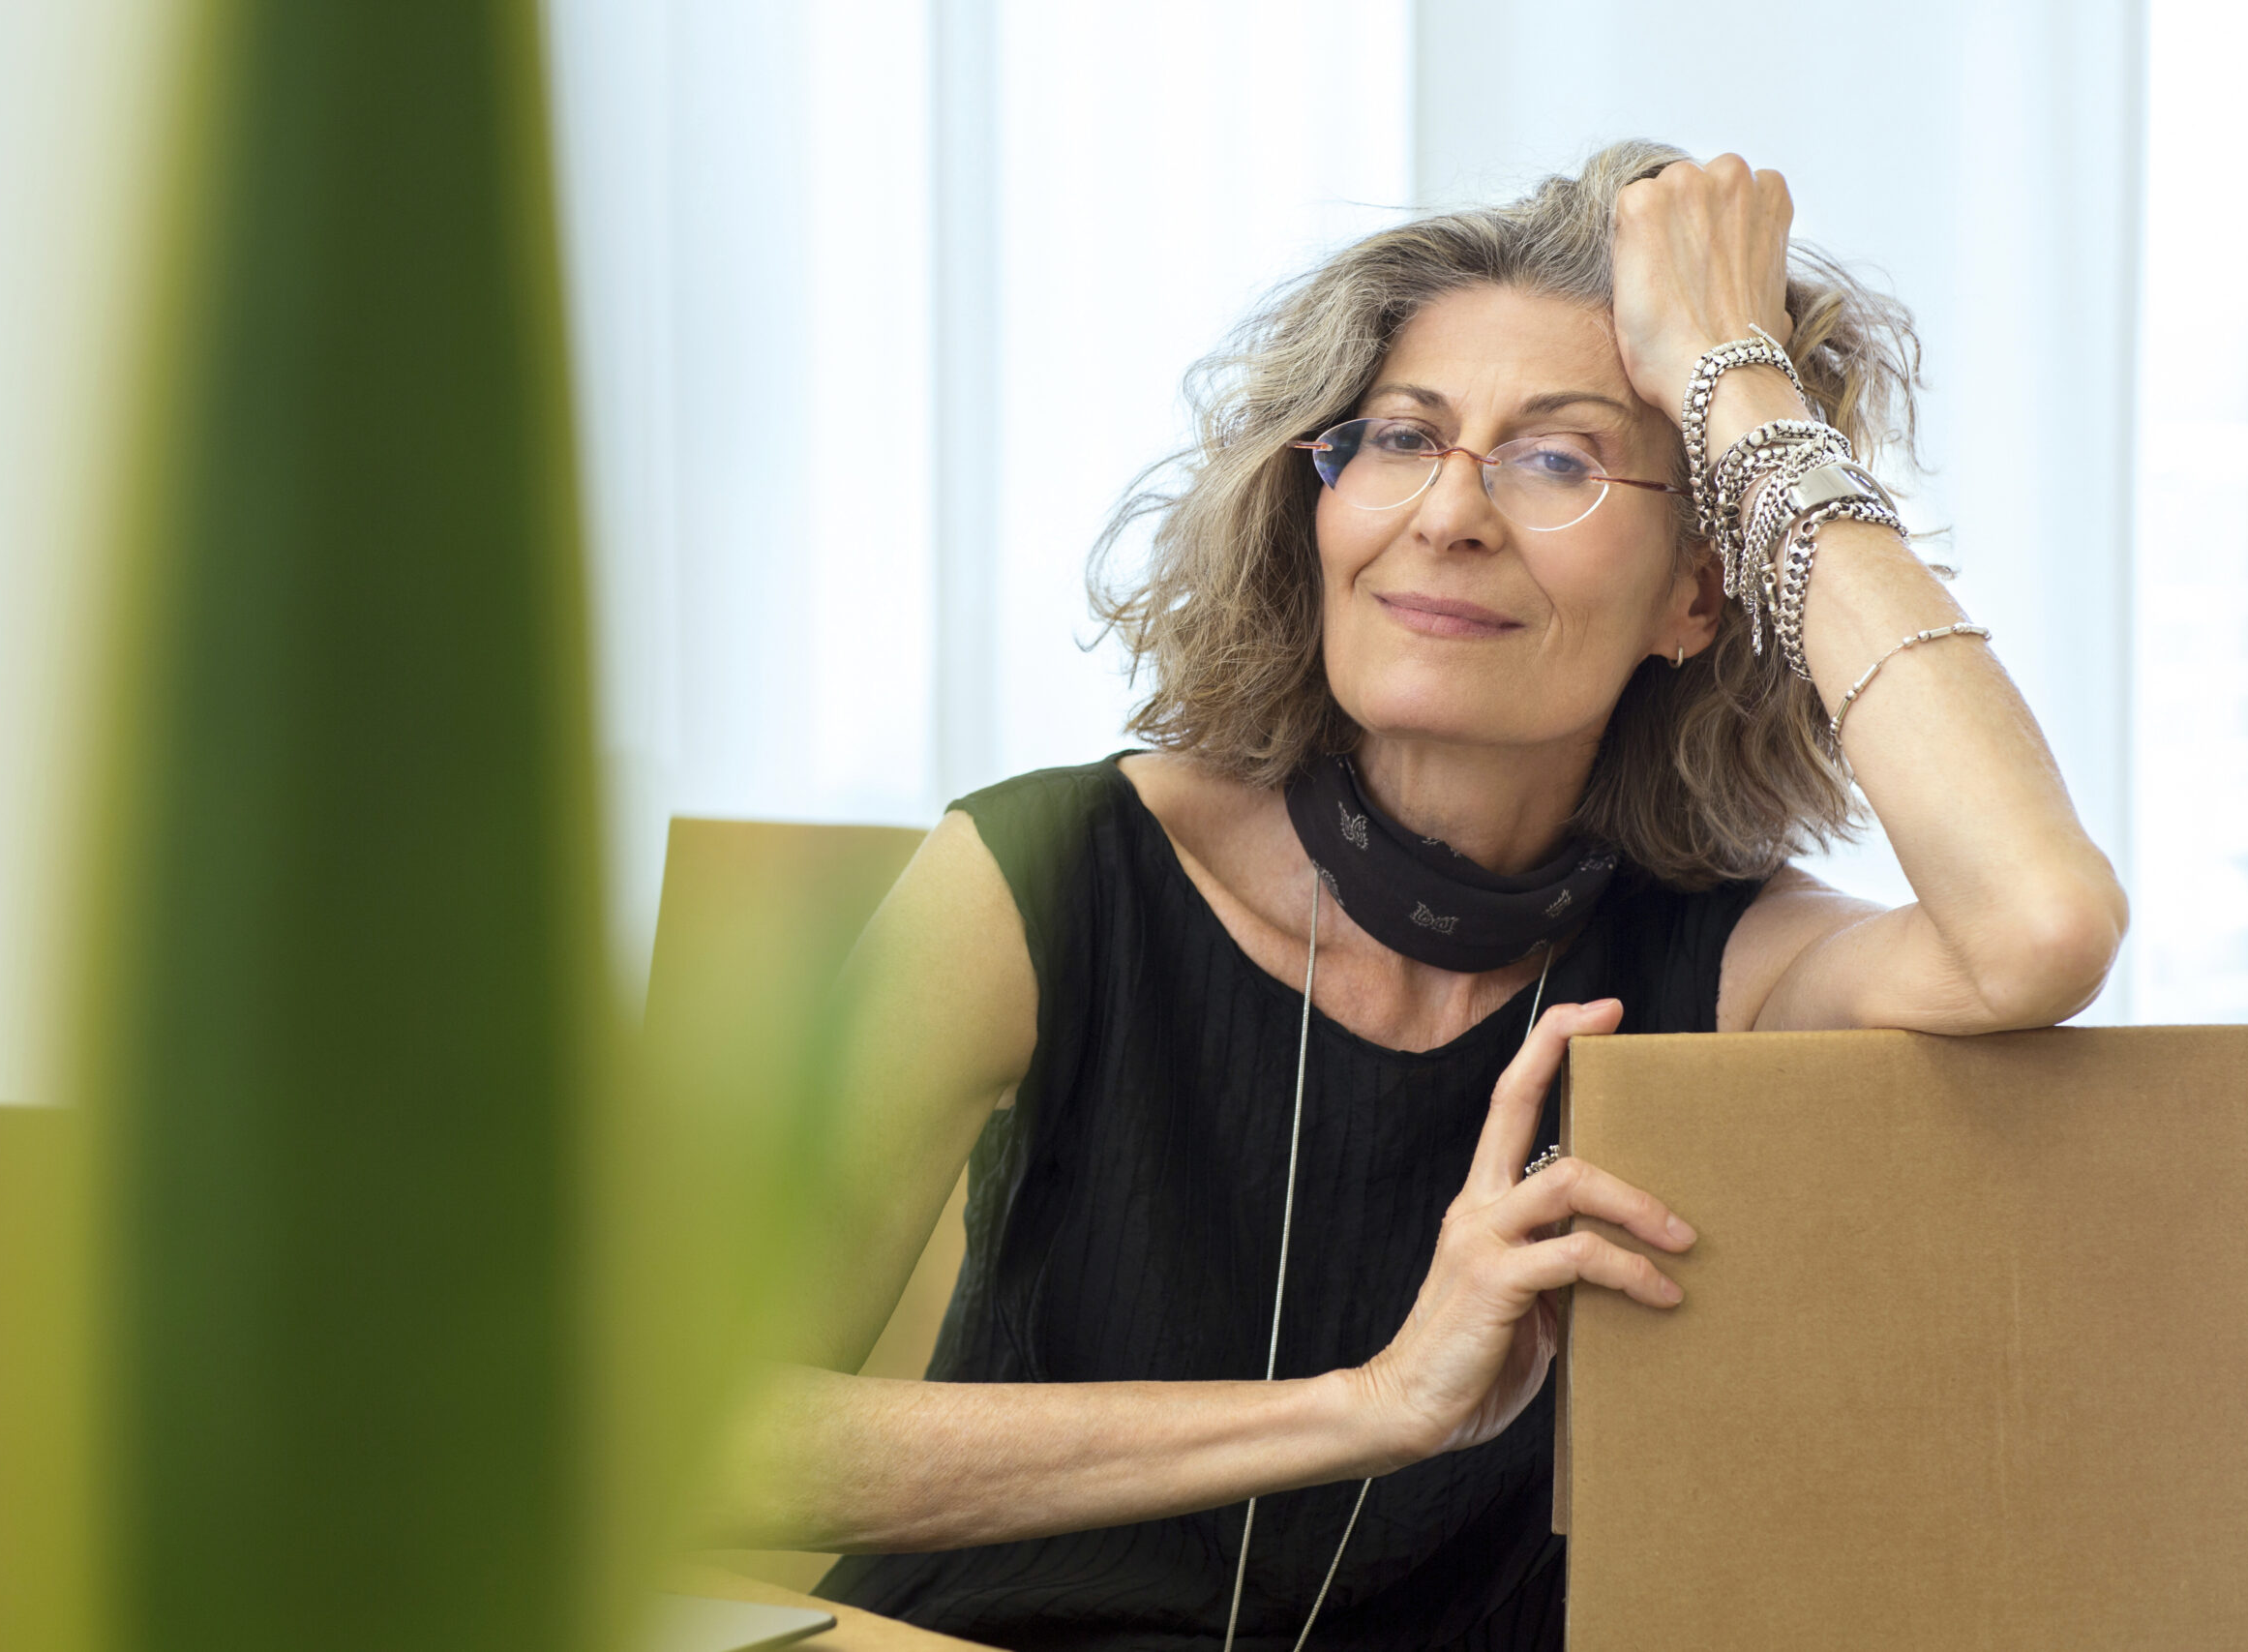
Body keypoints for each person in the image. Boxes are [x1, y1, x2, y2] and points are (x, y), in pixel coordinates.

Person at [716, 140, 2127, 1651]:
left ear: (1696, 595)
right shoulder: (1042, 874)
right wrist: (1370, 1408)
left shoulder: (1733, 963)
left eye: (1559, 458)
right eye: (1398, 438)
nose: (1448, 513)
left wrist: (1738, 382)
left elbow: (2036, 926)